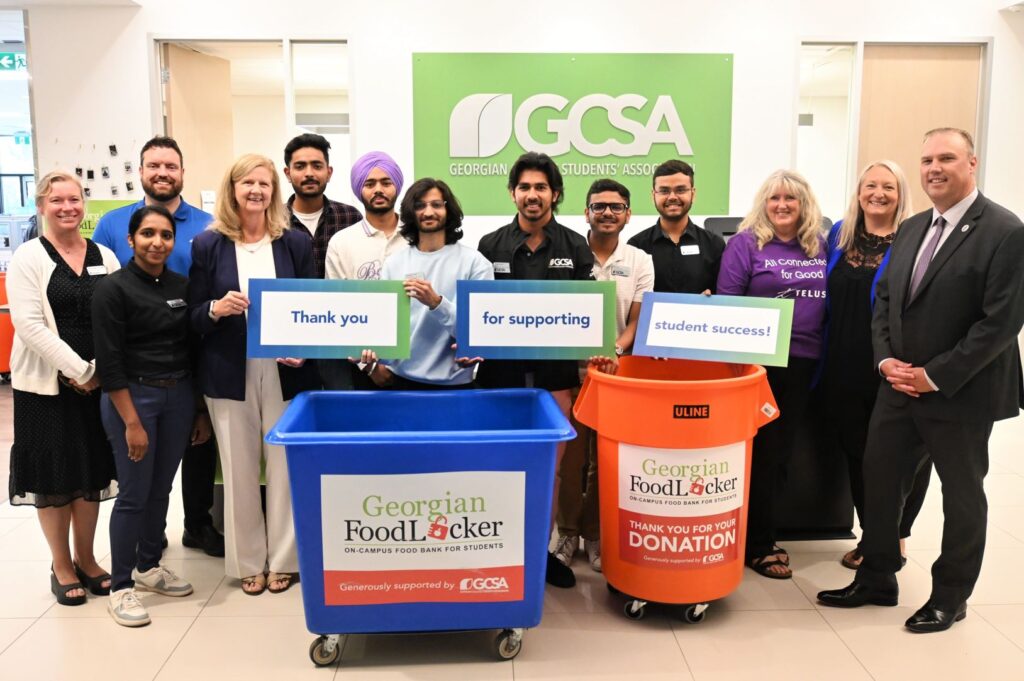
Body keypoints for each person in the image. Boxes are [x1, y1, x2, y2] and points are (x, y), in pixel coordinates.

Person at [817, 128, 1024, 633]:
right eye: (927, 158)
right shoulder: (911, 229)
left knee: (962, 494)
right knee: (881, 481)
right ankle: (877, 577)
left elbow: (1001, 321)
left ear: (971, 162)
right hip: (897, 385)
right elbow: (884, 301)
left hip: (960, 391)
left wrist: (936, 375)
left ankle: (950, 596)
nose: (935, 167)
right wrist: (885, 360)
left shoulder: (1004, 230)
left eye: (947, 158)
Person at [188, 154, 319, 596]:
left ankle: (283, 559)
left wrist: (301, 350)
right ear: (233, 189)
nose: (256, 191)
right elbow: (191, 315)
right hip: (228, 370)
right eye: (247, 183)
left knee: (284, 466)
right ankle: (248, 562)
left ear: (273, 191)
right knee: (240, 468)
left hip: (285, 371)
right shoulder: (208, 245)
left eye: (263, 184)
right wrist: (214, 309)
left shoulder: (295, 244)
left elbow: (314, 310)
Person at [92, 135, 223, 558]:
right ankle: (127, 571)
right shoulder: (111, 224)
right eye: (154, 166)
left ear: (182, 172)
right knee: (136, 482)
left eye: (171, 166)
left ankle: (189, 530)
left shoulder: (207, 225)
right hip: (133, 374)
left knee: (180, 469)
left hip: (186, 368)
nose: (157, 242)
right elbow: (100, 305)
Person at [477, 151, 595, 589]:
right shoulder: (489, 246)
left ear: (555, 194)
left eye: (540, 187)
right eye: (524, 187)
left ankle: (538, 555)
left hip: (555, 375)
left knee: (552, 468)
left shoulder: (574, 247)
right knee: (502, 465)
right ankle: (500, 549)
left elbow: (587, 313)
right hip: (501, 376)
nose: (532, 195)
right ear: (512, 193)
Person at [93, 205, 211, 626]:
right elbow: (109, 363)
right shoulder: (113, 290)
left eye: (164, 235)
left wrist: (198, 410)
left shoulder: (182, 285)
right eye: (147, 234)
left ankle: (148, 567)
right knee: (133, 494)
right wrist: (131, 422)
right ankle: (121, 586)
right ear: (130, 240)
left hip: (178, 396)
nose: (157, 242)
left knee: (161, 489)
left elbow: (192, 351)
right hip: (133, 399)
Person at [7, 170, 120, 605]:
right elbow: (29, 325)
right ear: (41, 206)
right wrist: (78, 370)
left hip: (97, 384)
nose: (67, 207)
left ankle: (87, 559)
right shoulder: (28, 257)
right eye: (56, 200)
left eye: (73, 199)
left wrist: (101, 372)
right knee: (53, 475)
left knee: (89, 470)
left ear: (83, 204)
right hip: (45, 388)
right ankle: (61, 564)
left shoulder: (104, 255)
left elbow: (118, 314)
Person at [716, 169, 827, 579]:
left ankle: (759, 535)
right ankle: (757, 543)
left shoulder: (820, 246)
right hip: (759, 366)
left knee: (779, 455)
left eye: (791, 199)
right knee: (758, 454)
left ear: (804, 204)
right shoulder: (746, 245)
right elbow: (728, 304)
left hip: (804, 363)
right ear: (764, 202)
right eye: (775, 198)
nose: (782, 205)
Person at [824, 160, 930, 571]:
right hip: (843, 365)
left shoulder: (913, 238)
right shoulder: (839, 235)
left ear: (901, 194)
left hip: (892, 365)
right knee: (858, 453)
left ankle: (895, 536)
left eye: (888, 186)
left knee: (903, 458)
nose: (878, 193)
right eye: (871, 185)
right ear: (859, 191)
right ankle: (872, 535)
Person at [553, 179, 653, 573]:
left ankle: (594, 534)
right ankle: (566, 532)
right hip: (571, 369)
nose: (607, 212)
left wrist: (615, 349)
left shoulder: (640, 259)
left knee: (603, 459)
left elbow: (637, 316)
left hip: (615, 371)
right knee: (570, 455)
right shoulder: (569, 252)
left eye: (616, 206)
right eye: (599, 206)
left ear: (628, 214)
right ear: (586, 212)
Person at [353, 178, 493, 389]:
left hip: (456, 388)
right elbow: (384, 329)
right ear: (411, 212)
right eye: (420, 206)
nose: (428, 212)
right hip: (401, 384)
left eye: (436, 205)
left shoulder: (475, 263)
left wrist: (437, 303)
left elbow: (480, 332)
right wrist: (371, 363)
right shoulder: (394, 263)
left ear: (449, 210)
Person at [323, 151, 407, 389]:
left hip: (415, 366)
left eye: (386, 182)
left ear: (397, 186)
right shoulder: (342, 242)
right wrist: (368, 366)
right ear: (359, 188)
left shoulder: (417, 237)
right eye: (370, 184)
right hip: (360, 367)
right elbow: (337, 308)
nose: (378, 189)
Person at [627, 159, 725, 294]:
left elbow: (724, 297)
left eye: (680, 190)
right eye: (664, 191)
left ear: (693, 193)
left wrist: (711, 298)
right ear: (653, 195)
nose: (672, 197)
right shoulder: (637, 246)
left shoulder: (714, 245)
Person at [283, 133, 362, 278]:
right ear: (288, 174)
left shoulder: (350, 217)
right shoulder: (272, 219)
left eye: (317, 166)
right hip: (292, 301)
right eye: (300, 167)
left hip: (341, 300)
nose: (309, 173)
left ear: (329, 172)